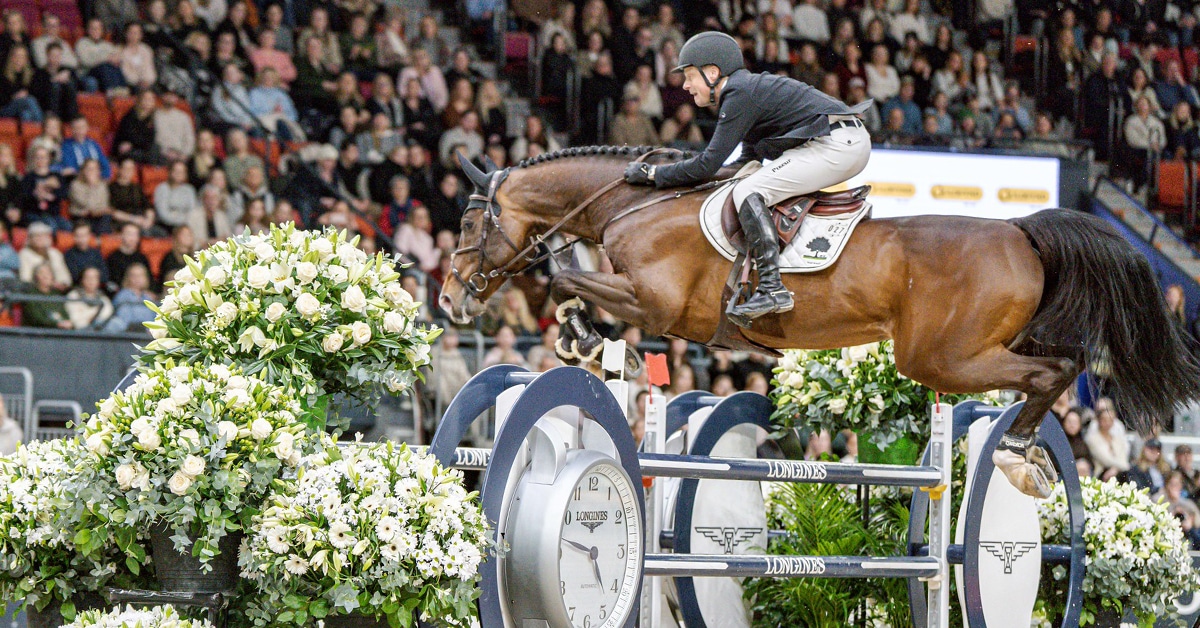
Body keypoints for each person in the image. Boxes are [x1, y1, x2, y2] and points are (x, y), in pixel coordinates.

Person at [624, 31, 872, 327]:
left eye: (690, 76)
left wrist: (654, 173)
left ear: (713, 73)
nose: (686, 85)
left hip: (837, 143)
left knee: (747, 192)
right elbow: (745, 160)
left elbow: (707, 164)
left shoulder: (739, 94)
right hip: (843, 140)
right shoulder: (747, 91)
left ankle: (772, 287)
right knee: (748, 181)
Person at [1085, 397, 1131, 481]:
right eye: (1104, 420)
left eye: (1110, 420)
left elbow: (1123, 455)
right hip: (1102, 473)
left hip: (1119, 472)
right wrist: (1121, 467)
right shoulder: (1092, 439)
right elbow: (1106, 460)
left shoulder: (1116, 438)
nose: (1107, 423)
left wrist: (1116, 469)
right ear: (1099, 420)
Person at [105, 262, 156, 332]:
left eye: (140, 275)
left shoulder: (148, 297)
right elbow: (123, 320)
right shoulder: (122, 295)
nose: (137, 279)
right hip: (128, 335)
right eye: (134, 275)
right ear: (128, 278)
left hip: (148, 335)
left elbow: (154, 318)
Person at [17, 222, 70, 289]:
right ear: (30, 239)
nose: (40, 239)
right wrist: (45, 284)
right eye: (36, 235)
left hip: (58, 290)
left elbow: (64, 276)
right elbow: (25, 279)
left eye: (43, 235)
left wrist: (62, 284)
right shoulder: (24, 254)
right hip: (34, 291)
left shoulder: (55, 253)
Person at [69, 159, 114, 233]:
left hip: (99, 215)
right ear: (83, 171)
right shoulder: (76, 185)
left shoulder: (102, 185)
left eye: (95, 169)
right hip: (82, 217)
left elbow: (104, 204)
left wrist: (97, 211)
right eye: (89, 169)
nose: (92, 172)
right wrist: (91, 186)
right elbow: (88, 205)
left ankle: (101, 241)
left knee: (106, 218)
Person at [22, 262, 72, 329]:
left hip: (59, 331)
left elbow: (64, 312)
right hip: (38, 332)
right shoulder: (30, 294)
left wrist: (67, 321)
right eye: (42, 273)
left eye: (48, 273)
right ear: (36, 277)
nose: (45, 276)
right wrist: (57, 324)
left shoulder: (56, 293)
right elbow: (36, 317)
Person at [106, 222, 151, 288]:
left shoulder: (142, 258)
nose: (132, 238)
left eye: (135, 234)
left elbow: (149, 279)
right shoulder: (113, 258)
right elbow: (112, 283)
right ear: (121, 235)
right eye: (129, 234)